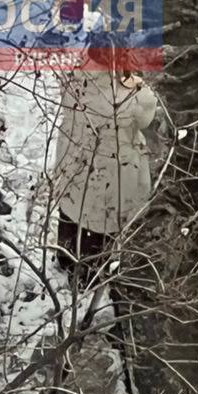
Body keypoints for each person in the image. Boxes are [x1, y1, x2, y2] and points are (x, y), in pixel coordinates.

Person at [54, 66, 158, 273]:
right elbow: (146, 116)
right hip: (111, 170)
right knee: (101, 221)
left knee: (71, 210)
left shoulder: (75, 79)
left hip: (75, 159)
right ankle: (91, 275)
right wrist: (138, 85)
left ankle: (64, 258)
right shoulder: (130, 94)